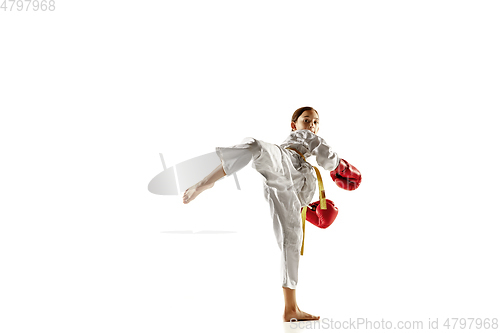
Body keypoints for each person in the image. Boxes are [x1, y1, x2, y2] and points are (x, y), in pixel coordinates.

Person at [183, 107, 341, 322]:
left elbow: (314, 178)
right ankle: (204, 182)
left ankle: (291, 309)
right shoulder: (303, 138)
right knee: (255, 145)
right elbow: (330, 161)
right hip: (284, 159)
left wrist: (311, 210)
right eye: (307, 120)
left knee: (291, 241)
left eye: (315, 122)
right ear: (294, 125)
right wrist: (341, 165)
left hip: (291, 183)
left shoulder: (308, 168)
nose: (311, 125)